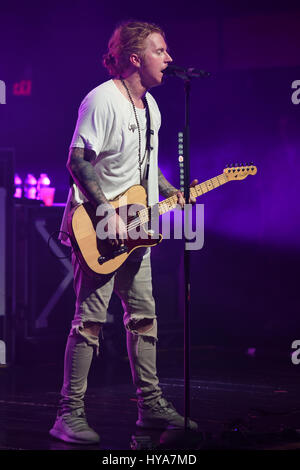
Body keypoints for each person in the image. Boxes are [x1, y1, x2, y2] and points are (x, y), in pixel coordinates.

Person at [49, 20, 198, 445]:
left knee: (145, 318)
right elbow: (77, 162)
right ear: (135, 58)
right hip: (98, 227)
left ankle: (150, 407)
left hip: (138, 230)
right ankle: (68, 413)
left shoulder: (152, 107)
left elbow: (142, 171)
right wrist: (104, 213)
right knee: (90, 322)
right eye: (160, 51)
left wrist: (170, 191)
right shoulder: (102, 99)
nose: (169, 59)